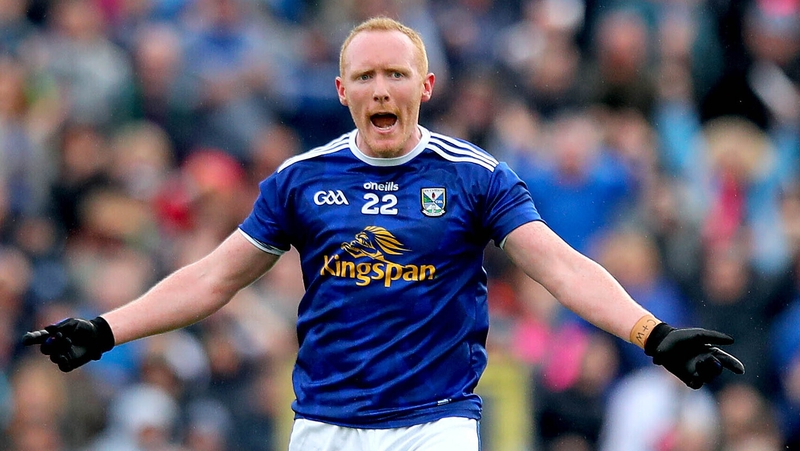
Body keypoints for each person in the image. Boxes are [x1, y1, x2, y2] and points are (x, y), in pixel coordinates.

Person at [23, 16, 745, 451]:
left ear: (424, 87)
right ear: (341, 92)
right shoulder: (299, 179)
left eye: (396, 75)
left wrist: (651, 333)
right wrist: (107, 328)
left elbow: (557, 265)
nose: (380, 90)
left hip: (434, 424)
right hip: (325, 423)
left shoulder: (475, 175)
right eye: (364, 76)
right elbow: (214, 277)